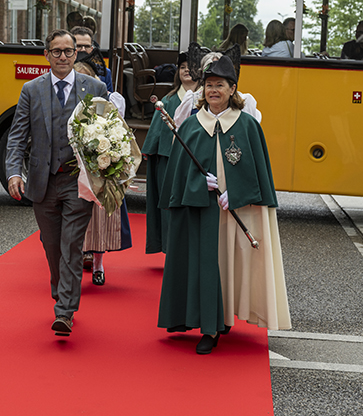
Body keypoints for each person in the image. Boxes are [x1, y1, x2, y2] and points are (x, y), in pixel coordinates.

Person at [158, 54, 291, 354]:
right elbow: (177, 177)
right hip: (202, 212)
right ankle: (210, 326)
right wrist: (196, 184)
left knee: (233, 264)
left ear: (233, 89)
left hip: (236, 212)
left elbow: (259, 172)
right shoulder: (192, 127)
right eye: (208, 85)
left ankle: (225, 315)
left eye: (220, 85)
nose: (213, 91)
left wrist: (239, 192)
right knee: (209, 263)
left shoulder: (247, 126)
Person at [5, 29, 109, 337]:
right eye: (57, 51)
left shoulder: (95, 87)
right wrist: (13, 172)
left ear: (77, 54)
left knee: (71, 245)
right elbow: (18, 135)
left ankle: (65, 311)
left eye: (68, 51)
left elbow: (107, 133)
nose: (63, 57)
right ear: (47, 55)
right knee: (52, 247)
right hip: (42, 181)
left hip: (78, 182)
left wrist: (110, 172)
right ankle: (61, 289)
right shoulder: (31, 90)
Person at [73, 61, 131, 285]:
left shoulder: (105, 101)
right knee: (78, 220)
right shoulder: (67, 101)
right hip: (74, 166)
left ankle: (98, 264)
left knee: (100, 219)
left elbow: (116, 129)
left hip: (98, 166)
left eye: (84, 77)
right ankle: (76, 264)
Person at [142, 52, 200, 254]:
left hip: (196, 162)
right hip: (168, 159)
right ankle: (169, 248)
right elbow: (157, 131)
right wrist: (150, 151)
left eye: (191, 66)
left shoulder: (205, 99)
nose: (186, 70)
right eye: (182, 67)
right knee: (168, 205)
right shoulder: (167, 99)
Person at [72, 26, 113, 93]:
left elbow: (108, 100)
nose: (83, 49)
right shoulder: (60, 70)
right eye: (78, 46)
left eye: (87, 46)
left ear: (92, 49)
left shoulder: (105, 73)